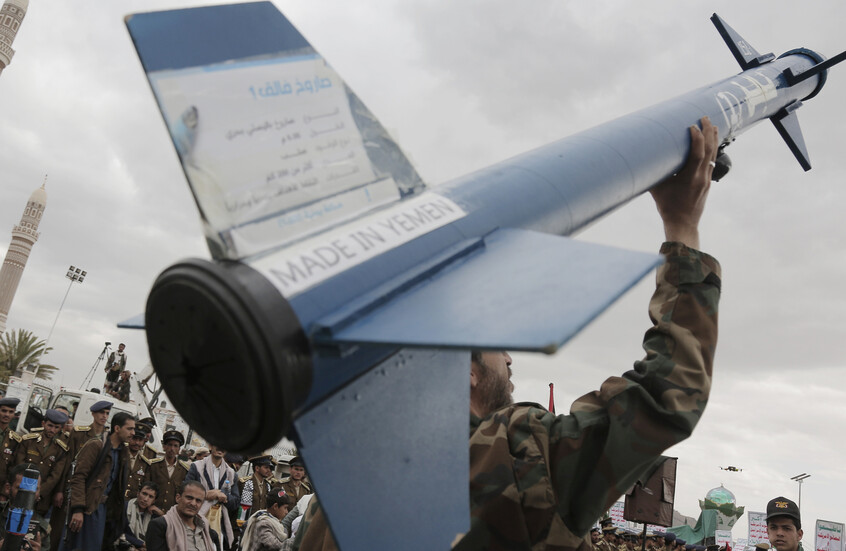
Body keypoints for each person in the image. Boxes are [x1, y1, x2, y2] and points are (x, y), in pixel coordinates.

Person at [450, 117, 721, 550]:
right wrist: (682, 228)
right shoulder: (514, 452)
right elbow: (667, 394)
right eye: (498, 347)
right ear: (467, 370)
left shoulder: (345, 490)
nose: (510, 359)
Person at [59, 411, 135, 551]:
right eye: (129, 428)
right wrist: (78, 509)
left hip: (107, 511)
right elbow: (78, 477)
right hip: (89, 508)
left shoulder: (123, 452)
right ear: (117, 429)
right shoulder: (96, 445)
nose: (133, 433)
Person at [48, 400, 113, 551]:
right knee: (59, 530)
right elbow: (67, 462)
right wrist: (59, 490)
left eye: (107, 414)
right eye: (101, 413)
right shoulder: (79, 433)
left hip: (91, 492)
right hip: (72, 487)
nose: (104, 416)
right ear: (93, 414)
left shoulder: (108, 437)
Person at [13, 409, 69, 517]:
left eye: (56, 427)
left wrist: (38, 492)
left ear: (61, 428)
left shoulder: (61, 449)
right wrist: (26, 490)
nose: (52, 430)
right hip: (20, 492)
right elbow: (19, 465)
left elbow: (55, 476)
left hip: (41, 500)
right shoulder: (29, 441)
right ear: (43, 424)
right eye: (50, 425)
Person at [185, 444, 239, 549]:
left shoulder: (231, 473)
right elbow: (186, 491)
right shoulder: (197, 467)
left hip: (219, 525)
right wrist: (205, 495)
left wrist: (222, 493)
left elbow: (236, 503)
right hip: (195, 520)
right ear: (210, 446)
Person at [144, 480, 220, 551]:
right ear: (178, 498)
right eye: (189, 498)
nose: (193, 503)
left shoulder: (205, 527)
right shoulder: (160, 525)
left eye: (198, 501)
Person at [0, 463, 48, 550]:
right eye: (21, 488)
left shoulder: (42, 528)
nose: (27, 495)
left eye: (34, 489)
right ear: (8, 488)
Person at [144, 430, 190, 513]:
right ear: (164, 447)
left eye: (175, 446)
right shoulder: (153, 465)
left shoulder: (184, 470)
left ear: (179, 449)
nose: (172, 449)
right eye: (169, 445)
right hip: (151, 511)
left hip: (171, 514)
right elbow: (146, 488)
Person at [121, 480, 160, 550]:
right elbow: (119, 533)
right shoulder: (125, 508)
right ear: (138, 493)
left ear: (154, 500)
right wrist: (141, 544)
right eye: (144, 494)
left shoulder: (155, 515)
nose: (145, 499)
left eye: (150, 497)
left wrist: (161, 513)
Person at [125, 424, 155, 501]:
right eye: (134, 439)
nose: (137, 443)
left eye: (140, 440)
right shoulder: (120, 456)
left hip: (132, 502)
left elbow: (146, 486)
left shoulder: (145, 463)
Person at [240, 455, 274, 521]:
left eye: (269, 468)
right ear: (257, 468)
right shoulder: (245, 483)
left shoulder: (268, 485)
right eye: (266, 467)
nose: (269, 470)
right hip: (245, 521)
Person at [0, 397, 22, 501]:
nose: (7, 415)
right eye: (4, 411)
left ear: (14, 415)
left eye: (11, 412)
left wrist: (4, 492)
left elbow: (12, 467)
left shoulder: (14, 440)